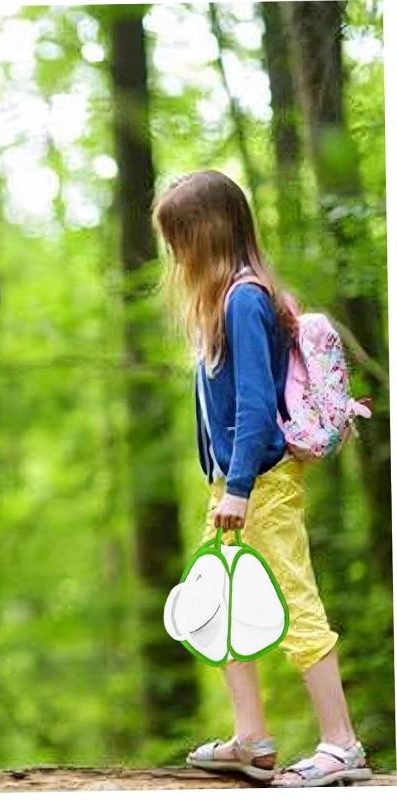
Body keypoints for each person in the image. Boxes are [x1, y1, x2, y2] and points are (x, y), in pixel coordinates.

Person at [152, 170, 372, 788]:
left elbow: (254, 403)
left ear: (208, 235)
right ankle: (251, 737)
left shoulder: (245, 300)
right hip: (231, 486)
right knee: (217, 604)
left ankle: (341, 742)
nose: (176, 255)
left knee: (293, 599)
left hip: (261, 484)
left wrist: (242, 487)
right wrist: (227, 484)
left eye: (180, 240)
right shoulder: (222, 303)